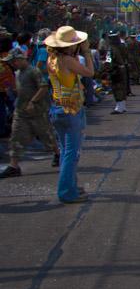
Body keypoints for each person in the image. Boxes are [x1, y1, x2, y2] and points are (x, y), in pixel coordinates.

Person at [45, 26, 94, 204]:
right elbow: (90, 72)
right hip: (71, 109)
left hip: (57, 107)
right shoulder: (67, 60)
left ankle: (71, 186)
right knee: (71, 153)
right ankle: (67, 192)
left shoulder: (52, 58)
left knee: (67, 151)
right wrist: (87, 53)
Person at [0, 48, 58, 178]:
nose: (12, 64)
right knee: (15, 137)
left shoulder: (33, 71)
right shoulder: (18, 73)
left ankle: (58, 153)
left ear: (21, 59)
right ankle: (13, 166)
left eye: (14, 61)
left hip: (37, 112)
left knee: (47, 135)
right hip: (21, 112)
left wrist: (33, 102)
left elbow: (43, 87)